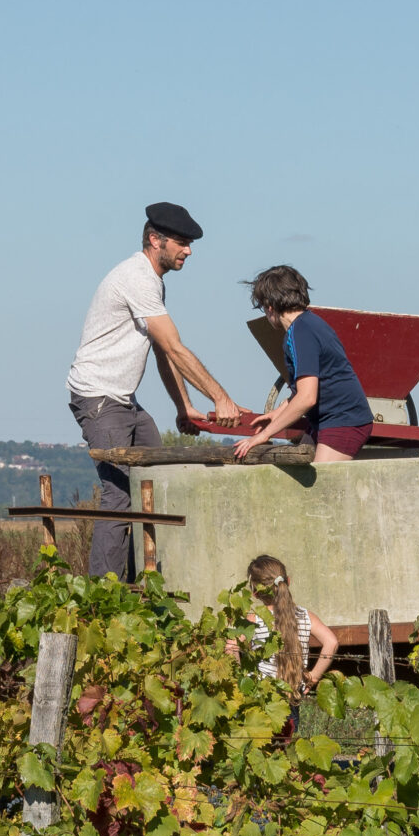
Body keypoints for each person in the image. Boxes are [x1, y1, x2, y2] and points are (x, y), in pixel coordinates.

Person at [67, 203, 248, 577]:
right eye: (182, 242)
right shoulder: (137, 278)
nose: (189, 251)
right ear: (155, 239)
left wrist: (184, 406)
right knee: (119, 493)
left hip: (124, 401)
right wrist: (220, 398)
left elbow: (164, 349)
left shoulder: (152, 281)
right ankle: (104, 594)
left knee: (158, 479)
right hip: (100, 398)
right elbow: (175, 347)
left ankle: (147, 582)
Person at [232, 266, 373, 462]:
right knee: (299, 473)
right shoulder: (308, 324)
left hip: (343, 421)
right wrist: (277, 414)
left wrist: (264, 435)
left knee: (321, 480)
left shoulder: (300, 333)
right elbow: (307, 388)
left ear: (270, 306)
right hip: (328, 420)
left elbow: (307, 397)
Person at [241, 554, 337, 698]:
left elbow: (231, 646)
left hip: (261, 694)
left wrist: (239, 678)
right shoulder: (305, 615)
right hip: (294, 692)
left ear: (255, 593)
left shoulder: (253, 619)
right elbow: (332, 642)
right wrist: (314, 676)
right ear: (288, 581)